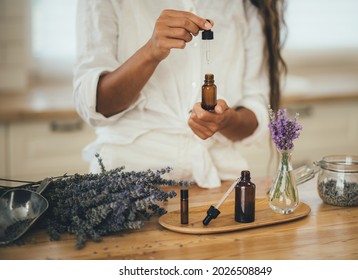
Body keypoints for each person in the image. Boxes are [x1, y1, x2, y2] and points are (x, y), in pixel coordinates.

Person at [73, 0, 286, 188]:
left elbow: (256, 111)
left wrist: (226, 120)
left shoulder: (247, 5)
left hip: (218, 179)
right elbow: (94, 104)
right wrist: (150, 52)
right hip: (126, 178)